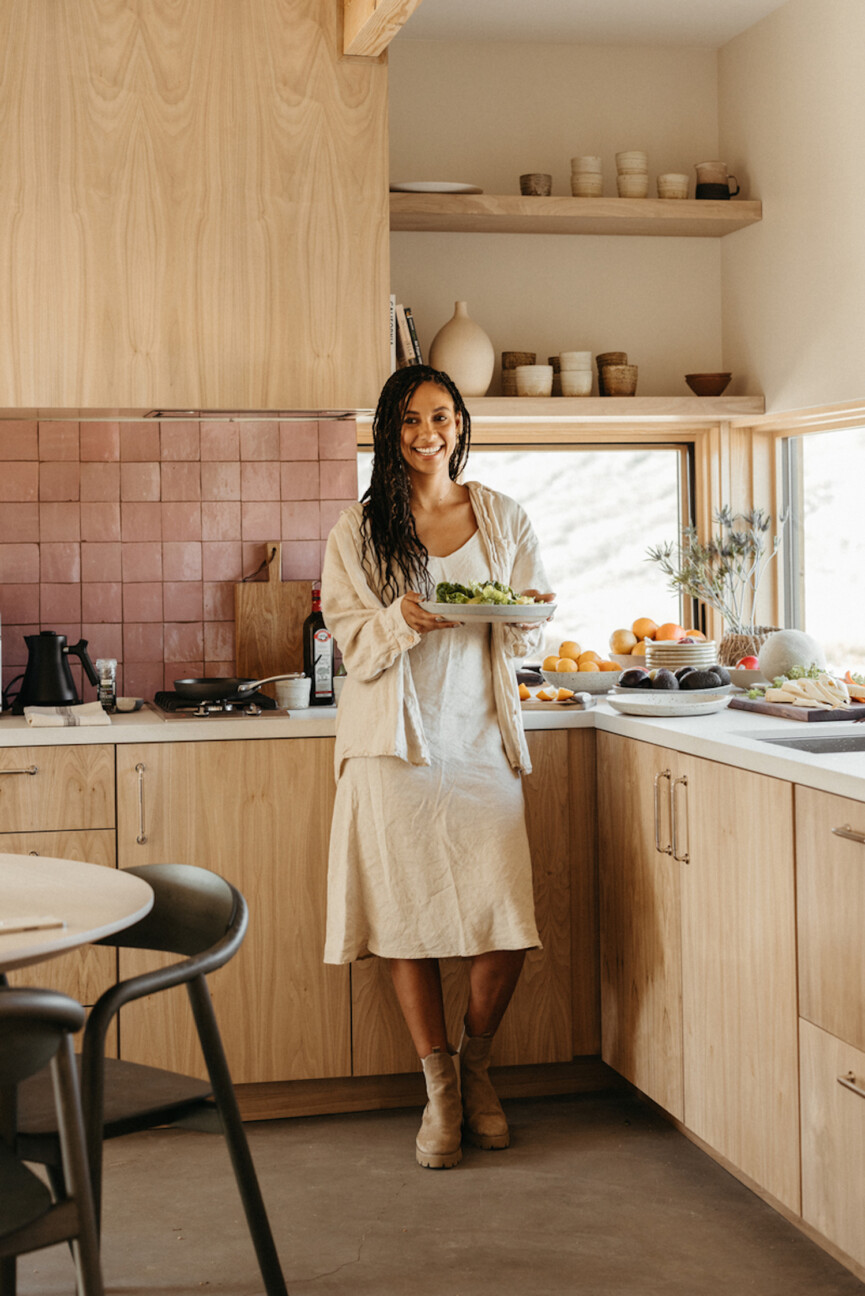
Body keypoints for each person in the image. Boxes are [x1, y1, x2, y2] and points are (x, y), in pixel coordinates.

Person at [321, 363, 554, 1170]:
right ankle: (442, 1092)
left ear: (461, 424)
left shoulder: (500, 513)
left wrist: (526, 621)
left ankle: (479, 1065)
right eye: (412, 420)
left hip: (480, 738)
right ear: (389, 431)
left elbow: (530, 617)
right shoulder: (356, 531)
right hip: (393, 744)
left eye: (443, 417)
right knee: (403, 923)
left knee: (505, 922)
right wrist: (398, 617)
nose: (430, 434)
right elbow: (350, 643)